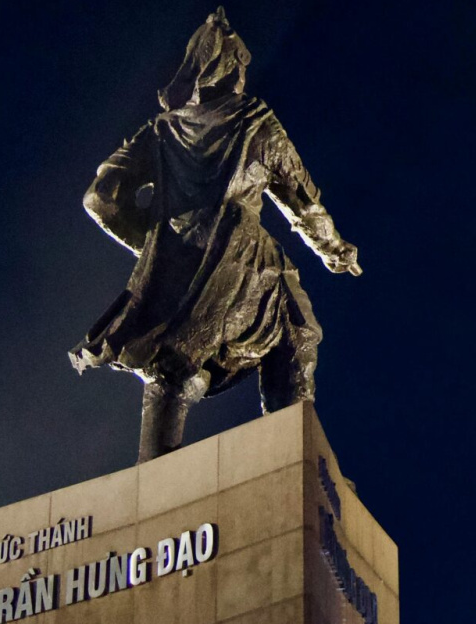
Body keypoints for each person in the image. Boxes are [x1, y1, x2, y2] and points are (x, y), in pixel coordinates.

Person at [69, 8, 360, 463]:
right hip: (243, 257)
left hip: (178, 260)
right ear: (232, 70)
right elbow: (302, 199)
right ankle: (295, 467)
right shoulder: (256, 121)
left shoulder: (162, 130)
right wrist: (335, 249)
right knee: (296, 333)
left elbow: (99, 198)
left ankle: (153, 475)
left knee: (174, 358)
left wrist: (159, 244)